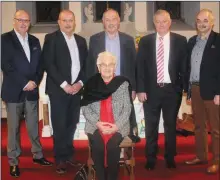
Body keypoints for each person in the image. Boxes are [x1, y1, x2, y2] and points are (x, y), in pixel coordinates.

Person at [1, 10, 52, 178]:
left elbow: (41, 65)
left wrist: (35, 82)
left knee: (32, 127)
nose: (23, 23)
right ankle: (13, 162)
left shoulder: (35, 40)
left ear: (29, 23)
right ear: (14, 21)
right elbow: (6, 65)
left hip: (32, 91)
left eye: (26, 20)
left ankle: (37, 155)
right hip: (14, 91)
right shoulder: (5, 39)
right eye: (20, 20)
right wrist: (24, 82)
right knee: (14, 129)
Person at [136, 9, 187, 170]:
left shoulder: (180, 40)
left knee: (170, 125)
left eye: (164, 21)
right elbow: (140, 67)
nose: (161, 25)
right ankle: (150, 157)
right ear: (154, 23)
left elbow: (184, 66)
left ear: (170, 22)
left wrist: (183, 88)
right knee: (151, 126)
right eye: (157, 22)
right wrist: (141, 89)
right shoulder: (145, 41)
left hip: (172, 91)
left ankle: (170, 156)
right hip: (150, 91)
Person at [42, 10, 88, 174]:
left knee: (71, 123)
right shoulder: (51, 39)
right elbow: (49, 64)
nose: (68, 23)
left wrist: (79, 83)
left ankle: (68, 154)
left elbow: (85, 66)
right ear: (59, 22)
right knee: (60, 125)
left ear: (74, 22)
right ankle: (60, 159)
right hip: (59, 91)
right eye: (65, 20)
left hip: (76, 91)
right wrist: (65, 85)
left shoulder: (81, 41)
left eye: (71, 20)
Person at [86, 8, 138, 136]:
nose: (111, 23)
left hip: (123, 87)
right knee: (104, 118)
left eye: (114, 19)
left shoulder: (128, 40)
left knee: (124, 120)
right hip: (101, 86)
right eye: (107, 20)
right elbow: (90, 66)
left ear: (119, 20)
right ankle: (103, 146)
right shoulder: (94, 39)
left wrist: (133, 88)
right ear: (103, 22)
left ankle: (123, 149)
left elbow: (133, 66)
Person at [82, 51, 132, 180]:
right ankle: (101, 176)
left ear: (115, 67)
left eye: (111, 64)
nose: (107, 68)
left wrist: (116, 126)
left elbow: (127, 108)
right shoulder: (91, 83)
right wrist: (98, 123)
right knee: (98, 145)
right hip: (95, 125)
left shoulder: (123, 83)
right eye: (103, 65)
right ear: (98, 67)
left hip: (118, 125)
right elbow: (85, 108)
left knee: (112, 146)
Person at [184, 9, 220, 174]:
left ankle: (217, 160)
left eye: (205, 20)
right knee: (198, 126)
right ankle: (201, 156)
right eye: (199, 21)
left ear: (211, 22)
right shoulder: (192, 41)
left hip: (213, 92)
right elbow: (188, 67)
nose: (202, 23)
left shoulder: (218, 40)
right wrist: (189, 90)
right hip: (196, 88)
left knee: (216, 128)